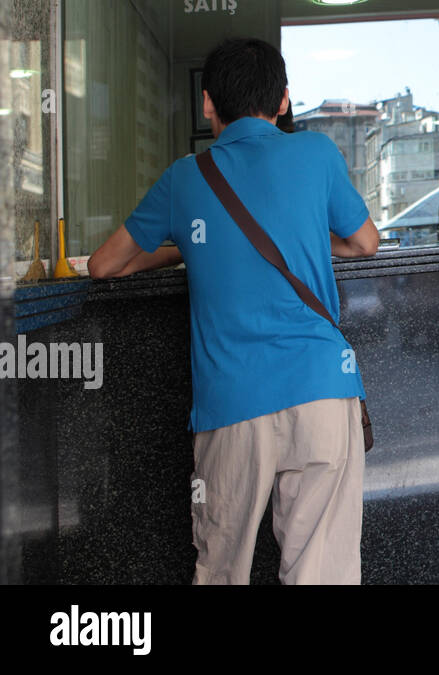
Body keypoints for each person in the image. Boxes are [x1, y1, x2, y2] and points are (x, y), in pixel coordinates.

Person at [88, 38, 380, 584]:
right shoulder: (317, 153)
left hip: (231, 404)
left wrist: (192, 246)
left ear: (206, 105)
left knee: (222, 570)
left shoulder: (185, 177)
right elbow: (366, 241)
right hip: (321, 388)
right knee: (324, 574)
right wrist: (309, 242)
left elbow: (105, 265)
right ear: (285, 100)